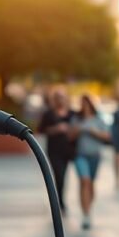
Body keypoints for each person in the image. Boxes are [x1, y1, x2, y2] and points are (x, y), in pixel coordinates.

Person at [71, 94, 110, 230]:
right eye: (82, 104)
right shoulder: (76, 119)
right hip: (80, 155)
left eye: (86, 103)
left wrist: (94, 132)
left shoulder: (98, 119)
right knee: (84, 181)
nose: (84, 106)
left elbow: (107, 136)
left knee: (91, 184)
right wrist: (78, 130)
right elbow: (70, 136)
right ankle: (85, 214)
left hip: (95, 155)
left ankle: (89, 208)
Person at [37, 86, 76, 214]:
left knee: (64, 176)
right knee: (58, 175)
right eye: (58, 97)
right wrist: (56, 129)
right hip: (54, 150)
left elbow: (78, 127)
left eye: (62, 97)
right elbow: (41, 130)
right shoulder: (48, 114)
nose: (60, 100)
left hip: (68, 150)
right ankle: (60, 202)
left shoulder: (72, 113)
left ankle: (61, 200)